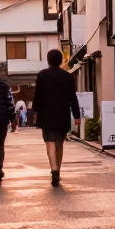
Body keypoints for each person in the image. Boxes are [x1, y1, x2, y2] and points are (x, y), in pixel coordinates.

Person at [31, 49, 81, 187]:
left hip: (46, 114)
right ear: (60, 61)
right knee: (59, 143)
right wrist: (76, 115)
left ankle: (54, 171)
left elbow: (37, 95)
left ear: (48, 60)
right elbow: (73, 97)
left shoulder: (42, 75)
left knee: (50, 143)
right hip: (62, 114)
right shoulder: (68, 77)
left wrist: (35, 111)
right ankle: (57, 169)